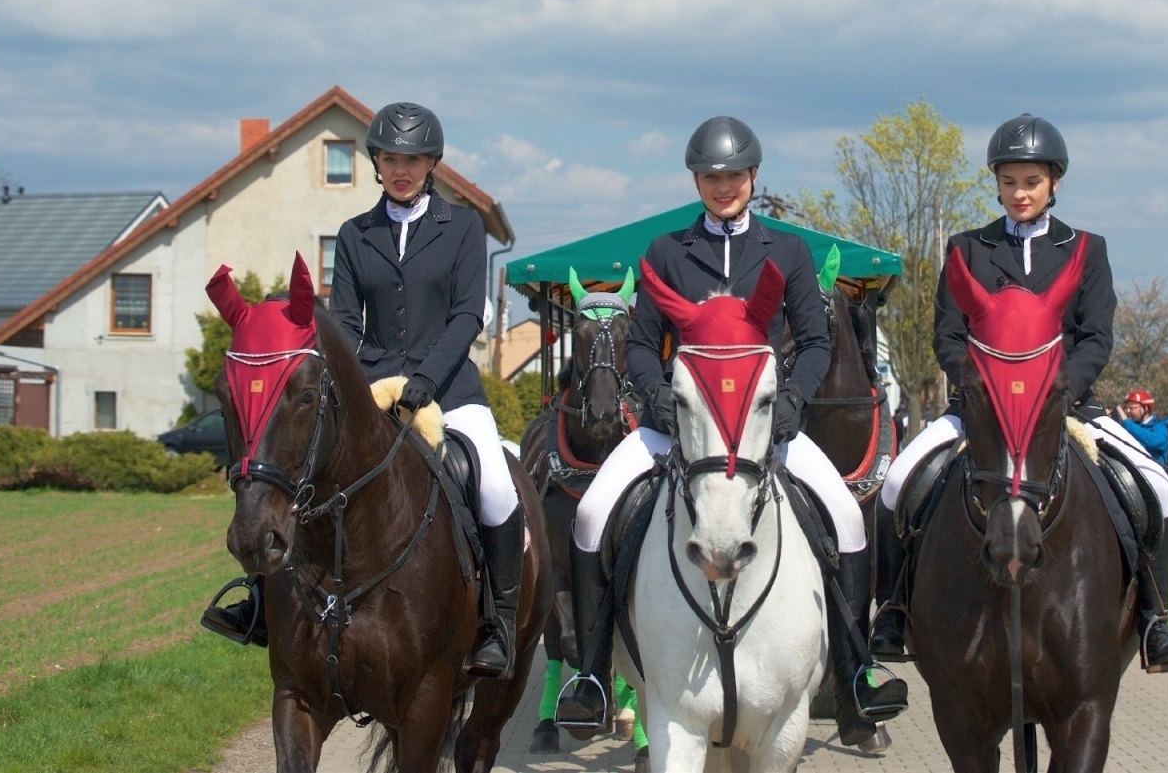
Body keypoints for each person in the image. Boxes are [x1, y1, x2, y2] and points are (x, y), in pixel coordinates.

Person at [554, 115, 909, 746]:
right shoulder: (667, 252)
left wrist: (796, 396)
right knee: (591, 516)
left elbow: (817, 337)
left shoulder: (787, 252)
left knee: (849, 520)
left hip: (761, 428)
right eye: (712, 177)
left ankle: (856, 677)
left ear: (753, 177)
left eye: (734, 176)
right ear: (697, 180)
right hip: (682, 426)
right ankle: (592, 676)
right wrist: (657, 397)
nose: (724, 187)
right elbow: (639, 345)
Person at [202, 102, 524, 680]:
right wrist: (345, 379)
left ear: (432, 163)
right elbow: (346, 321)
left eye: (413, 159)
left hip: (448, 387)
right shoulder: (355, 234)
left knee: (497, 486)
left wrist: (427, 380)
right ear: (377, 163)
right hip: (372, 388)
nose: (401, 169)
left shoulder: (465, 229)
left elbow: (465, 318)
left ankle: (495, 626)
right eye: (390, 158)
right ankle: (262, 607)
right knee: (294, 467)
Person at [872, 113, 1168, 671]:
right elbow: (948, 337)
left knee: (1154, 489)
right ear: (996, 184)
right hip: (983, 413)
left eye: (1031, 182)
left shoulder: (1087, 250)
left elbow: (1096, 335)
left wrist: (1059, 390)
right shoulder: (966, 250)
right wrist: (980, 388)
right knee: (899, 482)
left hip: (1065, 407)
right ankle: (895, 609)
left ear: (1054, 183)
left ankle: (1154, 620)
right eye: (1009, 182)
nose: (1019, 193)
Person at [1119, 388, 1168, 464]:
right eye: (1126, 409)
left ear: (1146, 408)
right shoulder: (1133, 426)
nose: (1128, 412)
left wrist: (1127, 423)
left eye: (1131, 408)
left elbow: (1153, 441)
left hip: (1154, 472)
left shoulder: (1160, 426)